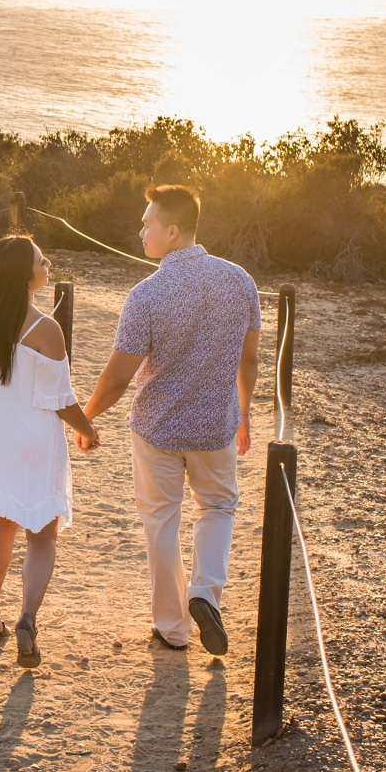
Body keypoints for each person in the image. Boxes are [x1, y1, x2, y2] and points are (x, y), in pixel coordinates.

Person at [82, 184, 259, 655]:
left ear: (174, 231)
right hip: (214, 427)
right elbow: (250, 360)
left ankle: (173, 628)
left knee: (161, 521)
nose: (141, 231)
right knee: (217, 508)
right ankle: (205, 593)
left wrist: (86, 416)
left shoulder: (147, 294)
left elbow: (119, 375)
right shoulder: (239, 280)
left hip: (157, 428)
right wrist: (243, 414)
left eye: (148, 224)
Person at [0, 234, 96, 669]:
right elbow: (59, 399)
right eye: (42, 260)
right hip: (36, 441)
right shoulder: (46, 330)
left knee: (1, 525)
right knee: (42, 535)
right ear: (25, 275)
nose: (47, 264)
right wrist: (88, 430)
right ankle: (27, 620)